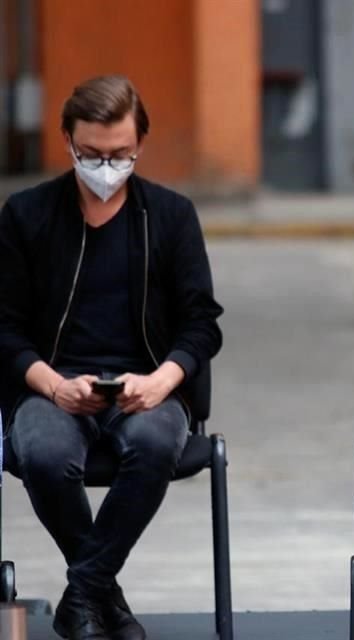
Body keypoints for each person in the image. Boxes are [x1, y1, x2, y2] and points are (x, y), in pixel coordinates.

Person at [0, 75, 223, 640]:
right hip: (52, 387)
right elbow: (4, 327)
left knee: (153, 445)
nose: (105, 166)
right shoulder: (27, 215)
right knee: (45, 455)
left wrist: (162, 381)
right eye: (91, 154)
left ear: (139, 145)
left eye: (119, 154)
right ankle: (103, 599)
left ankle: (83, 597)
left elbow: (201, 324)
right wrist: (50, 384)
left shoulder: (170, 216)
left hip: (146, 388)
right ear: (68, 142)